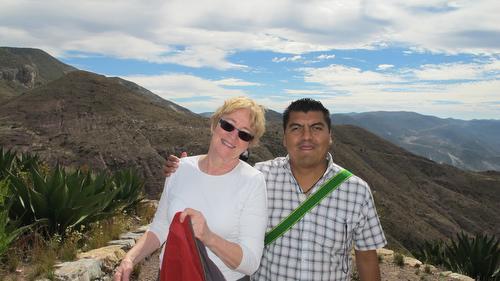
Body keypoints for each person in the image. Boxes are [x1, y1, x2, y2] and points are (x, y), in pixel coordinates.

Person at [165, 98, 387, 281]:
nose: (306, 136)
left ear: (330, 137)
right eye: (296, 128)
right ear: (284, 138)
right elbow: (215, 184)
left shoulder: (357, 191)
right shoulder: (258, 177)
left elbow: (366, 258)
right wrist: (184, 169)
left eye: (316, 128)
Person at [114, 97, 268, 281]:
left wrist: (209, 237)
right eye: (228, 125)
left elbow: (251, 262)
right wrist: (130, 259)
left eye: (245, 134)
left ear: (249, 144)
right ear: (214, 124)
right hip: (171, 274)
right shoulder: (180, 169)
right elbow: (160, 226)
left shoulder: (253, 181)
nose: (233, 136)